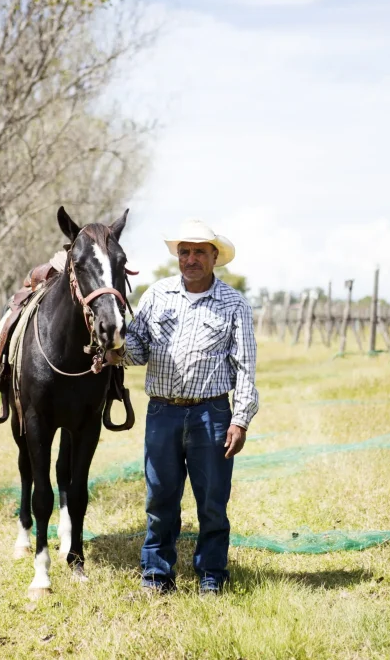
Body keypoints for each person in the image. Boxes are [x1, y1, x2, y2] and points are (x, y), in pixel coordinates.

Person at [106, 219, 259, 595]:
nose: (191, 259)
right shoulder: (157, 295)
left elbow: (245, 367)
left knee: (211, 501)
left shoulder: (233, 304)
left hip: (212, 414)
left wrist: (239, 420)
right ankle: (157, 575)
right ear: (178, 256)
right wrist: (116, 350)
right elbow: (138, 348)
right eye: (185, 252)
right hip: (163, 412)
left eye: (199, 253)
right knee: (160, 497)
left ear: (214, 258)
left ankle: (212, 575)